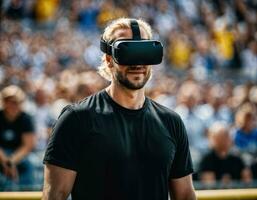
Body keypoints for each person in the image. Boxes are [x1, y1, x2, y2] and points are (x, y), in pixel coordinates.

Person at [42, 17, 196, 200]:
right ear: (109, 59)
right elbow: (54, 196)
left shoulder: (171, 122)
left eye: (144, 52)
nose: (137, 64)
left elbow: (185, 195)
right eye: (126, 51)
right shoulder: (77, 119)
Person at [0, 85, 36, 189]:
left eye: (16, 102)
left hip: (19, 155)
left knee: (31, 163)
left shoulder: (26, 119)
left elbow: (28, 146)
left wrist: (11, 161)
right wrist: (5, 161)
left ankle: (27, 191)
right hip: (2, 154)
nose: (12, 105)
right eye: (9, 101)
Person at [198, 121, 252, 186]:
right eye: (221, 137)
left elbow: (247, 182)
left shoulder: (238, 159)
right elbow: (209, 185)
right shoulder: (207, 160)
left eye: (227, 136)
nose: (225, 140)